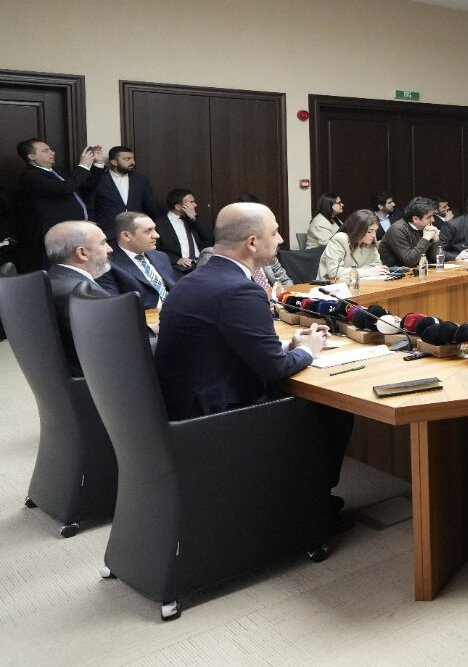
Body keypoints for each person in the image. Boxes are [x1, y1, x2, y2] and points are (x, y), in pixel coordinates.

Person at [153, 202, 350, 510]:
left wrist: (289, 346)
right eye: (275, 232)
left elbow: (225, 347)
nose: (281, 239)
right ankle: (313, 506)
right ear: (253, 242)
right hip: (217, 414)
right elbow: (275, 370)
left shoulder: (190, 281)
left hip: (182, 405)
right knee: (334, 409)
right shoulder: (239, 289)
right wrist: (308, 350)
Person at [16, 138, 105, 270]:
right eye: (46, 150)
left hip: (75, 230)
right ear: (31, 156)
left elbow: (85, 186)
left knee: (78, 266)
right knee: (59, 269)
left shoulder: (58, 171)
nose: (52, 152)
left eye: (50, 149)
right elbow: (65, 188)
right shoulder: (31, 176)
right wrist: (83, 166)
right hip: (55, 233)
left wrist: (98, 164)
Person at [43, 220, 113, 375]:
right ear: (82, 253)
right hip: (99, 381)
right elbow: (114, 348)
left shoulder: (50, 282)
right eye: (103, 243)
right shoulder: (85, 293)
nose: (110, 249)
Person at [96, 211, 178, 309]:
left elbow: (175, 289)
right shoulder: (107, 265)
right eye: (148, 231)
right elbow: (116, 306)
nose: (156, 235)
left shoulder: (161, 256)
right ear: (126, 236)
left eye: (154, 229)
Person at [89, 145, 161, 239]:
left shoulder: (141, 179)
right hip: (109, 234)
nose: (132, 162)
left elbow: (151, 206)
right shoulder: (100, 180)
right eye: (127, 159)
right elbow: (91, 207)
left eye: (132, 159)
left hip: (137, 233)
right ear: (114, 162)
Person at [316, 208, 386, 281]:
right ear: (358, 230)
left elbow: (377, 266)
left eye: (375, 231)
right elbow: (334, 272)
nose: (373, 235)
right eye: (369, 231)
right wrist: (366, 272)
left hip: (359, 283)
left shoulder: (370, 242)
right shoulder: (340, 239)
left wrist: (365, 271)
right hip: (331, 285)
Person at [155, 187, 209, 277]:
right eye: (191, 202)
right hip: (179, 267)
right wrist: (177, 260)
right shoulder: (159, 224)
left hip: (201, 264)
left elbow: (208, 236)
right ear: (178, 207)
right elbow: (155, 250)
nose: (195, 205)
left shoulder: (193, 220)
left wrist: (194, 217)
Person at [378, 196, 443, 267]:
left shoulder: (424, 226)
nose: (433, 220)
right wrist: (425, 239)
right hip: (396, 271)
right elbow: (409, 262)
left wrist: (436, 240)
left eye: (433, 216)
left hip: (419, 269)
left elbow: (435, 260)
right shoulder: (397, 230)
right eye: (429, 217)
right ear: (415, 219)